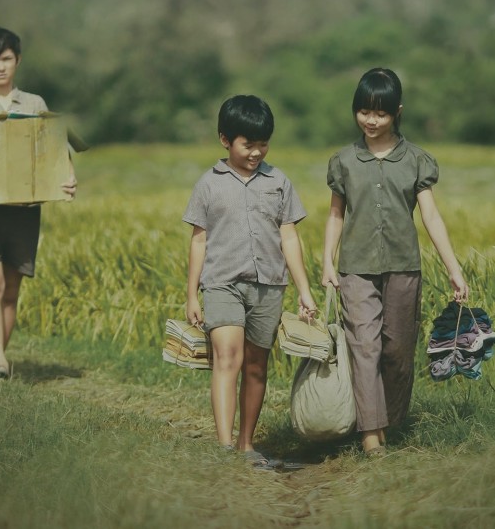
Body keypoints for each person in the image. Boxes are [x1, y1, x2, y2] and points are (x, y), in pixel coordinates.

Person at [320, 67, 469, 456]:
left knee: (398, 353)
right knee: (364, 347)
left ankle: (387, 419)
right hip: (356, 268)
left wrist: (454, 269)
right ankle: (371, 435)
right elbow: (336, 214)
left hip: (404, 267)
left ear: (397, 112)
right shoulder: (344, 161)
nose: (371, 120)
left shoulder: (417, 160)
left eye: (381, 113)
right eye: (364, 111)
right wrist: (327, 262)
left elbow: (432, 218)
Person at [183, 95, 317, 469]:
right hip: (221, 284)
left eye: (263, 143)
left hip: (269, 286)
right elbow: (199, 240)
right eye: (248, 143)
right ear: (225, 140)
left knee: (257, 366)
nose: (256, 151)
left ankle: (246, 444)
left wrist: (304, 290)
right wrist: (192, 294)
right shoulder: (208, 184)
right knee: (228, 356)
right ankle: (225, 447)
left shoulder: (279, 181)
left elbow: (289, 236)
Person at [0, 27, 77, 379]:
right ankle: (0, 362)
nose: (1, 67)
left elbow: (54, 147)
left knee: (11, 289)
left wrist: (68, 177)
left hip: (24, 210)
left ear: (17, 60)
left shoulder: (35, 104)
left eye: (7, 59)